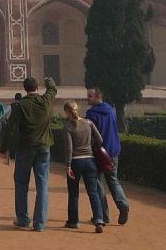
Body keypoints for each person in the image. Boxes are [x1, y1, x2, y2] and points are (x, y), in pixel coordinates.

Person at [0, 76, 58, 232]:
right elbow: (53, 89)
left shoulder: (19, 105)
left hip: (25, 147)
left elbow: (11, 129)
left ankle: (23, 219)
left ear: (24, 89)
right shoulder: (45, 101)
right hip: (44, 146)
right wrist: (48, 80)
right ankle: (40, 223)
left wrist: (4, 148)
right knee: (42, 184)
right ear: (37, 88)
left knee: (21, 184)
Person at [86, 86, 130, 225]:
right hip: (113, 150)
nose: (87, 98)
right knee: (113, 180)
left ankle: (103, 215)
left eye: (90, 96)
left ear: (98, 96)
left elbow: (90, 135)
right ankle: (123, 204)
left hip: (99, 152)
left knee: (97, 183)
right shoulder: (111, 110)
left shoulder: (92, 113)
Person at [62, 100, 106, 233]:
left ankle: (73, 221)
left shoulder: (68, 127)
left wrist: (68, 165)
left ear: (66, 112)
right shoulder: (89, 123)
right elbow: (100, 140)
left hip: (76, 161)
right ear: (77, 109)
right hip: (90, 160)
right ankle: (99, 219)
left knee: (73, 193)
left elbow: (69, 149)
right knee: (93, 192)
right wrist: (92, 147)